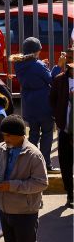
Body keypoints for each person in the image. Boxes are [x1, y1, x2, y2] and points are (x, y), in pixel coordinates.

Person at [13, 37, 60, 172]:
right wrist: (58, 66)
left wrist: (41, 64)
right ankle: (45, 164)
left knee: (33, 134)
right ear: (37, 50)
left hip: (29, 104)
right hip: (43, 104)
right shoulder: (38, 65)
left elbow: (34, 72)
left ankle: (31, 164)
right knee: (47, 133)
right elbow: (51, 80)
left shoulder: (19, 64)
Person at [50, 49, 73, 208]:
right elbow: (52, 100)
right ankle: (70, 194)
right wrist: (59, 119)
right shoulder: (59, 80)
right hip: (65, 130)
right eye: (70, 58)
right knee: (65, 163)